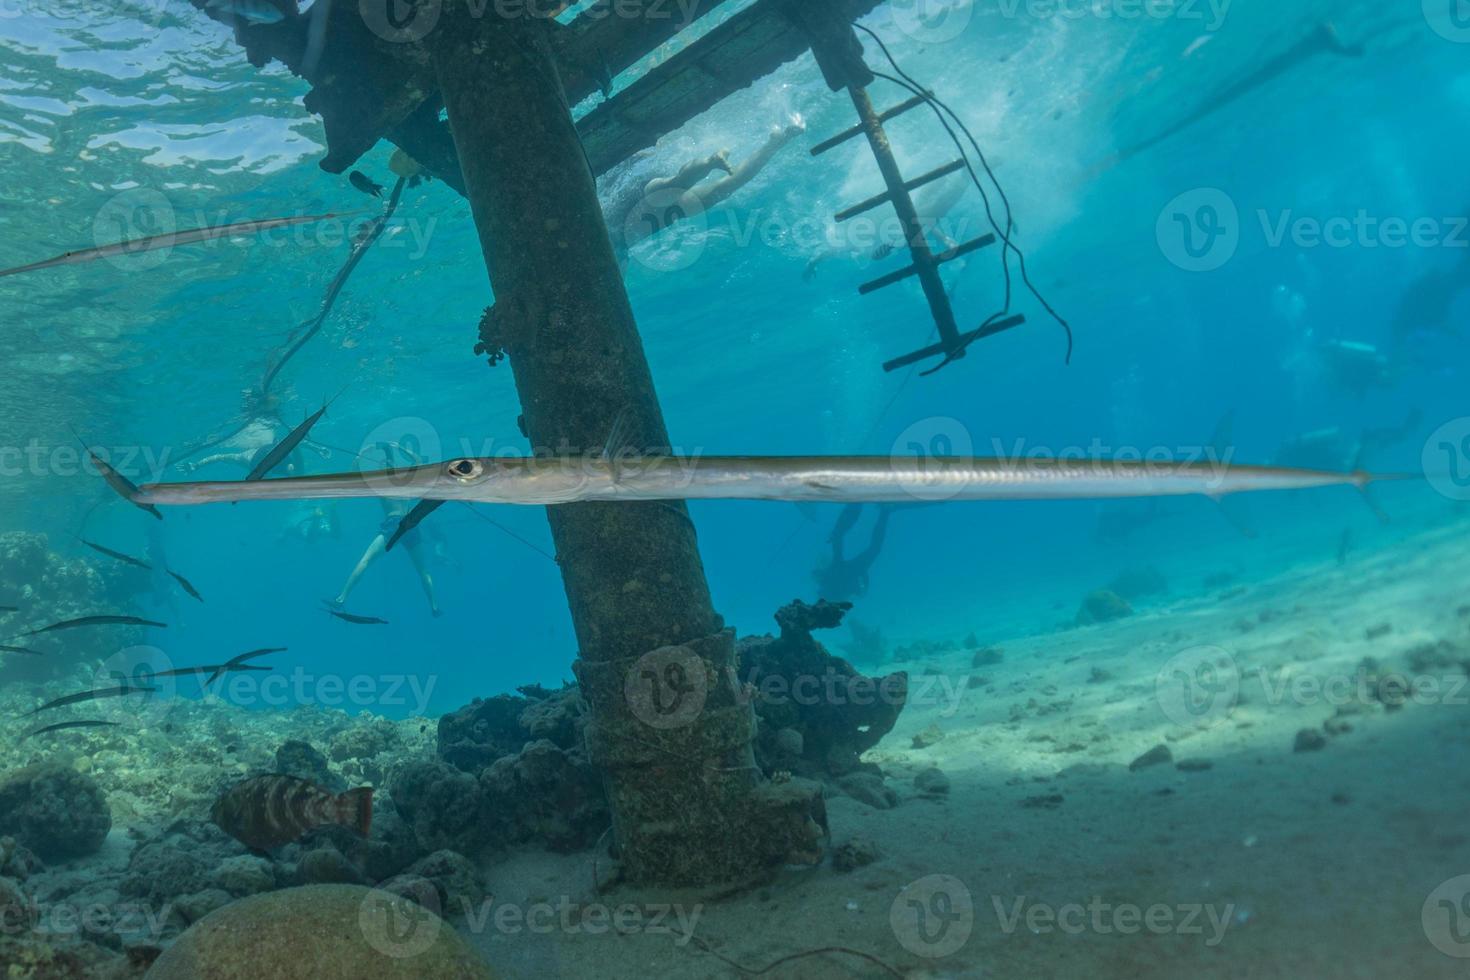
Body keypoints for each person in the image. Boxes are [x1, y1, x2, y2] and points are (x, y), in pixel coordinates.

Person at [603, 114, 807, 261]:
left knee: (679, 185)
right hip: (654, 208)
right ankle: (773, 144)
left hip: (642, 208)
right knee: (715, 186)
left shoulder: (612, 245)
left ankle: (712, 162)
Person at [329, 444, 442, 617]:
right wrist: (401, 448)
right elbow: (418, 461)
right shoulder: (408, 481)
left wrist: (359, 457)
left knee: (366, 560)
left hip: (393, 524)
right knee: (423, 570)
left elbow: (352, 475)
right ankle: (434, 605)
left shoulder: (379, 483)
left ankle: (341, 598)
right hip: (411, 524)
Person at [812, 504, 897, 602]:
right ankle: (867, 508)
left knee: (873, 549)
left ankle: (882, 511)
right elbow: (818, 576)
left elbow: (860, 588)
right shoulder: (828, 590)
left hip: (846, 571)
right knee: (838, 537)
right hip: (844, 571)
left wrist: (863, 584)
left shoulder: (835, 594)